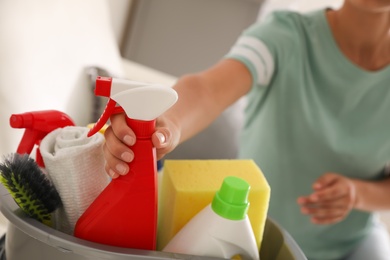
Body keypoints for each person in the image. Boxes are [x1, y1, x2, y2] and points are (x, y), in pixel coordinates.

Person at [103, 1, 390, 259]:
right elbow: (208, 90)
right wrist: (166, 123)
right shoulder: (286, 36)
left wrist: (357, 193)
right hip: (250, 237)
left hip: (353, 247)